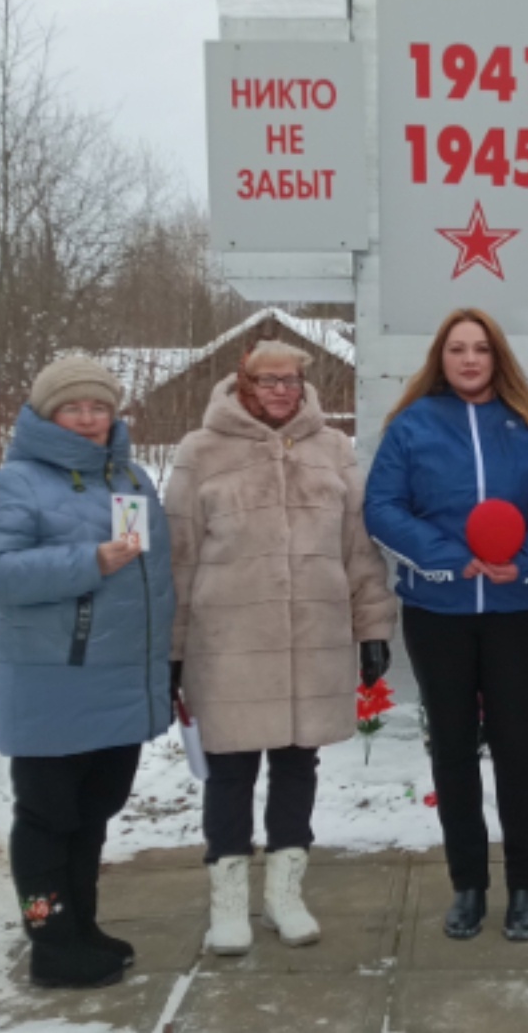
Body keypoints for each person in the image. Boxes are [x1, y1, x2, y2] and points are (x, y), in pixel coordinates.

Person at [165, 340, 395, 957]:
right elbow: (178, 556)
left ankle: (285, 895)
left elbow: (359, 547)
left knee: (298, 767)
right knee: (231, 771)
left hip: (313, 640)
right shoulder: (199, 452)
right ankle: (228, 903)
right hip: (229, 643)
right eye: (268, 380)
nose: (281, 390)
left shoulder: (332, 450)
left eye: (291, 379)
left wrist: (371, 627)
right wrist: (172, 647)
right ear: (243, 383)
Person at [363, 308, 528, 943]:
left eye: (480, 349)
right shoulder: (412, 426)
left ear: (497, 357)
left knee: (518, 751)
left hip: (516, 614)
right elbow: (382, 508)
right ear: (441, 357)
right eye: (457, 349)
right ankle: (468, 885)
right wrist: (450, 558)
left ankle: (524, 888)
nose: (468, 359)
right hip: (440, 613)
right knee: (453, 751)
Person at [0, 355, 176, 990]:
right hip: (52, 681)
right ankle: (50, 940)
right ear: (47, 413)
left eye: (99, 406)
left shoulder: (130, 478)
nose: (87, 419)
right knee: (47, 818)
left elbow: (150, 579)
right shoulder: (19, 483)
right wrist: (87, 561)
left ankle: (82, 926)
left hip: (119, 681)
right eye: (73, 407)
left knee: (94, 813)